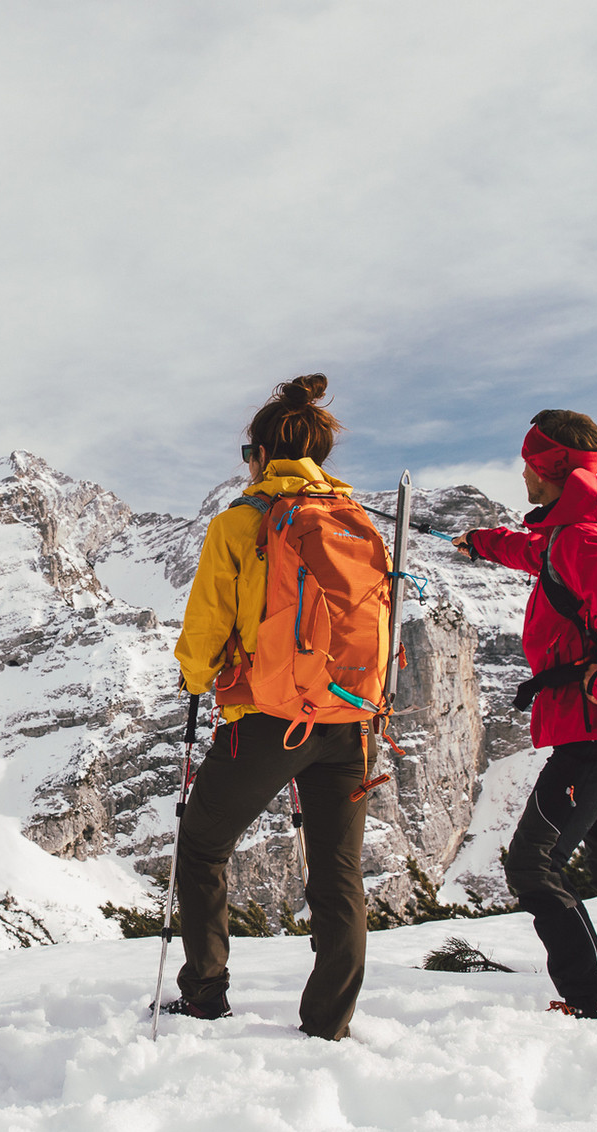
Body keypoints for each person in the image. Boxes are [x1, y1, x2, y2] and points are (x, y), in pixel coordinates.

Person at [167, 374, 380, 1041]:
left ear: (259, 454)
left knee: (202, 844)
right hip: (350, 721)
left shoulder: (241, 523)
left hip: (270, 719)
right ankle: (328, 1023)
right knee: (338, 873)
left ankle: (206, 991)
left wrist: (196, 679)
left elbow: (206, 623)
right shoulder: (357, 523)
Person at [454, 410, 597, 1017]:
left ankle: (593, 998)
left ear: (551, 467)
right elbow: (538, 556)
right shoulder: (583, 529)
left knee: (533, 863)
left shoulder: (583, 537)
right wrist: (481, 544)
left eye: (528, 463)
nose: (521, 474)